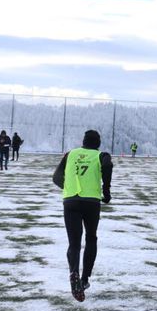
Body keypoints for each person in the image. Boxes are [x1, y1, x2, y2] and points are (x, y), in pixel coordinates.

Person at [52, 129, 113, 302]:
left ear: (83, 141)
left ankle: (74, 273)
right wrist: (106, 190)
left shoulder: (70, 154)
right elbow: (108, 165)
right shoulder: (101, 155)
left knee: (74, 242)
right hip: (91, 202)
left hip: (70, 201)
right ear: (98, 143)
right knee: (91, 238)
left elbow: (56, 177)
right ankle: (85, 279)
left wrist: (69, 187)